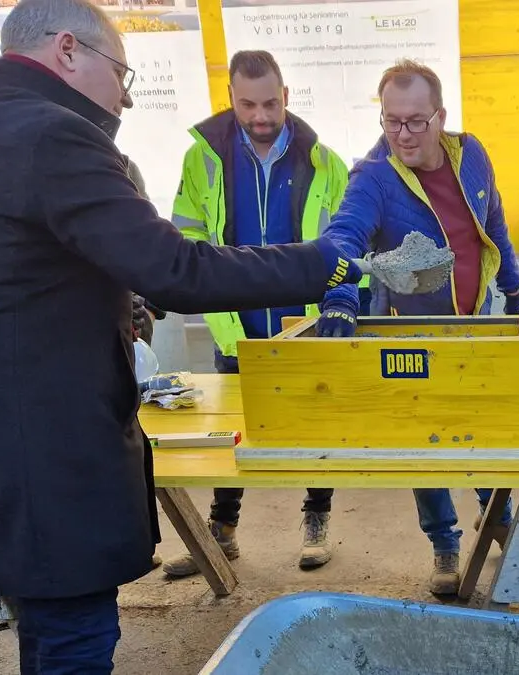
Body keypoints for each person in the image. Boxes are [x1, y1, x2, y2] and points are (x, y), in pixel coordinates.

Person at [0, 0, 365, 671]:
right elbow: (177, 268)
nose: (123, 96)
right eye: (120, 72)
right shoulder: (52, 138)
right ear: (68, 50)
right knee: (74, 640)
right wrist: (325, 261)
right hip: (43, 450)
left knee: (48, 629)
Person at [319, 59, 519, 596]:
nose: (403, 135)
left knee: (482, 427)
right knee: (424, 438)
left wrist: (515, 286)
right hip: (408, 332)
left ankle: (493, 513)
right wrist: (340, 296)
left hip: (473, 321)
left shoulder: (471, 155)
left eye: (415, 121)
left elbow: (492, 221)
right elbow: (344, 237)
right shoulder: (374, 177)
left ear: (440, 116)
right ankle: (444, 543)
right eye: (392, 122)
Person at [160, 50, 354, 578]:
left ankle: (317, 524)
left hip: (306, 325)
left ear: (286, 96)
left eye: (270, 102)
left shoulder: (326, 163)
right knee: (234, 431)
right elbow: (188, 237)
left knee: (314, 428)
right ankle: (222, 533)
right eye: (248, 104)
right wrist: (214, 303)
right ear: (231, 99)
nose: (261, 115)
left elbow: (342, 244)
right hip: (235, 324)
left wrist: (337, 302)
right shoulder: (200, 160)